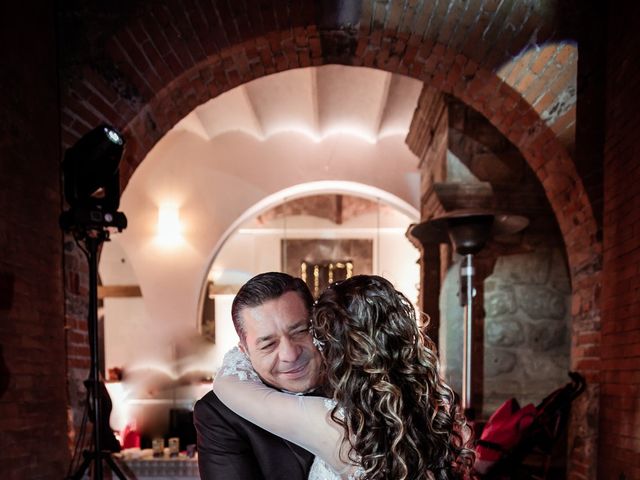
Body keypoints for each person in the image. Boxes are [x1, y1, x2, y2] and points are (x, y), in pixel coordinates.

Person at [214, 274, 474, 480]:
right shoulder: (426, 410)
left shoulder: (334, 422)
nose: (290, 354)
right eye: (268, 344)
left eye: (305, 332)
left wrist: (251, 348)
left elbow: (227, 383)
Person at [194, 272, 324, 479]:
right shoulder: (220, 414)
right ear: (245, 351)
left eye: (300, 332)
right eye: (268, 344)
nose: (290, 355)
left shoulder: (364, 380)